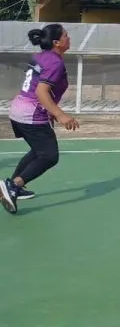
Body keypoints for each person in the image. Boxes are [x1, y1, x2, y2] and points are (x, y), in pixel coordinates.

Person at [2, 24, 80, 214]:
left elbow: (36, 86)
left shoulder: (40, 57)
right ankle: (13, 186)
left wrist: (51, 110)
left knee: (37, 151)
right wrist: (61, 114)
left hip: (19, 109)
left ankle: (14, 187)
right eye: (66, 36)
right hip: (31, 113)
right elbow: (41, 91)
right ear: (57, 42)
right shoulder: (55, 62)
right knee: (49, 156)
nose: (69, 38)